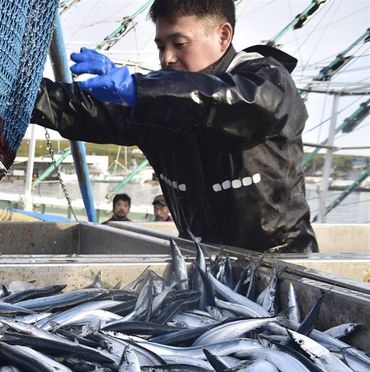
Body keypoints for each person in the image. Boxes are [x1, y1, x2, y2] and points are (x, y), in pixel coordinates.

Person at [32, 0, 318, 253]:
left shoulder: (269, 83)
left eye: (179, 44)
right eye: (161, 46)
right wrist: (20, 96)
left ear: (223, 35)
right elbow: (81, 110)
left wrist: (141, 91)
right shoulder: (152, 101)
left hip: (283, 265)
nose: (167, 57)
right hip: (200, 267)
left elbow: (244, 102)